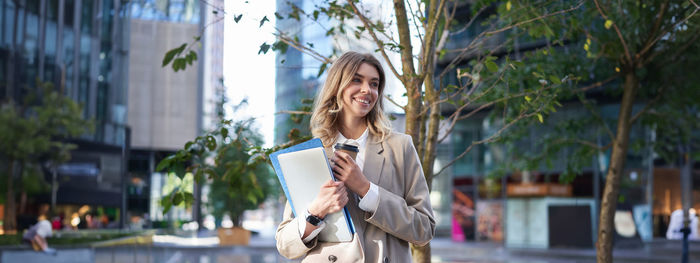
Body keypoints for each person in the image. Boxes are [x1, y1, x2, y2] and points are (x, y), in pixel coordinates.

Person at [275, 51, 435, 262]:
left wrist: (367, 190)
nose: (367, 90)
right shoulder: (312, 154)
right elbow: (285, 245)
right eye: (356, 80)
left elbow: (424, 229)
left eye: (374, 83)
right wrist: (316, 211)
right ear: (337, 85)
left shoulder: (400, 146)